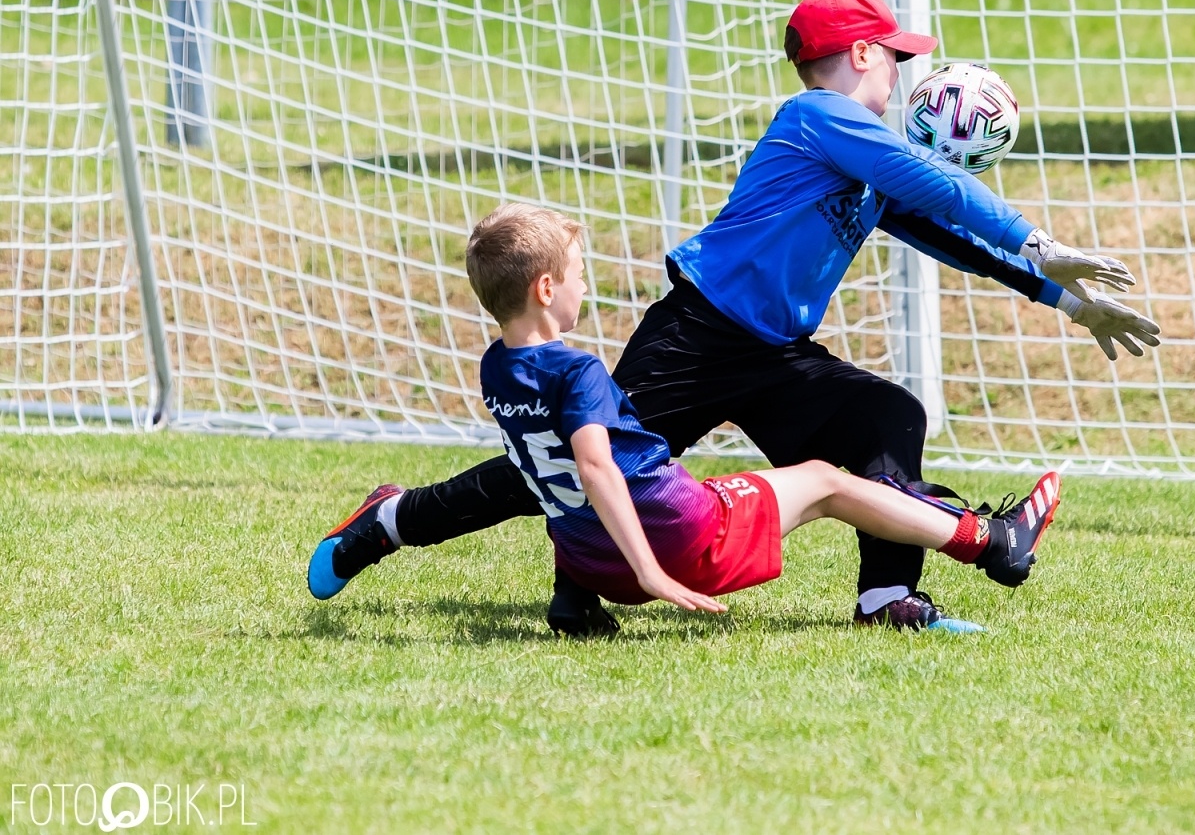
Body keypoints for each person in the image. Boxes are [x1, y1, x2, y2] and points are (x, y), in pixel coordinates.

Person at [309, 0, 1159, 634]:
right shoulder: (815, 117)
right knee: (563, 471)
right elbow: (931, 182)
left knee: (884, 417)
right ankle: (388, 523)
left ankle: (888, 595)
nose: (904, 72)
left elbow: (939, 227)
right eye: (896, 56)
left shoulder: (865, 157)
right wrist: (1038, 239)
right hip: (699, 336)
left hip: (776, 353)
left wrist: (1062, 298)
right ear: (863, 56)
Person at [308, 205, 1064, 625]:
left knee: (547, 469)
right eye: (577, 275)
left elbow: (553, 477)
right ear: (546, 289)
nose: (584, 287)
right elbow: (598, 468)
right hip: (671, 545)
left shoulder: (495, 367)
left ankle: (887, 597)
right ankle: (985, 541)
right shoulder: (577, 373)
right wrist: (649, 573)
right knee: (826, 483)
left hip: (591, 560)